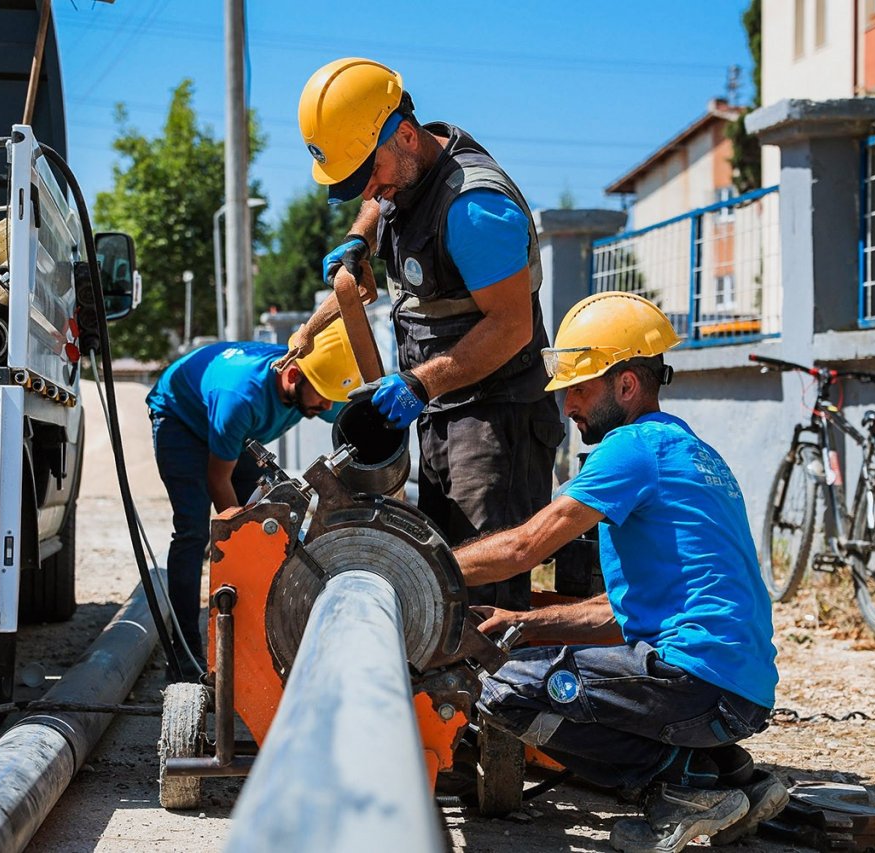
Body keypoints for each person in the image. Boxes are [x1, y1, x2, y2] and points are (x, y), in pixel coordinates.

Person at [453, 292, 785, 852]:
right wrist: (523, 622)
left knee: (504, 689)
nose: (568, 407)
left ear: (626, 384)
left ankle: (684, 787)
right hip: (737, 692)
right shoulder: (691, 450)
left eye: (579, 389)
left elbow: (525, 546)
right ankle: (730, 773)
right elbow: (624, 613)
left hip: (695, 680)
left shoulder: (631, 448)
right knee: (537, 666)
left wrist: (424, 568)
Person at [296, 56, 563, 612]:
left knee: (484, 590)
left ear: (406, 136)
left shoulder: (475, 210)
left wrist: (420, 383)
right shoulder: (406, 171)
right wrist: (359, 240)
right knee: (441, 577)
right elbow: (377, 201)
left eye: (370, 174)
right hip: (445, 409)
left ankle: (503, 672)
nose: (371, 190)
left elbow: (511, 327)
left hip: (496, 423)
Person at [146, 318, 361, 662]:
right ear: (293, 376)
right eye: (323, 398)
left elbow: (351, 418)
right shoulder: (241, 397)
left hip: (233, 429)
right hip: (181, 419)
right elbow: (218, 480)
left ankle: (256, 644)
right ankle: (184, 654)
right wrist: (240, 543)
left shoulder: (312, 380)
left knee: (263, 522)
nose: (326, 408)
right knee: (194, 530)